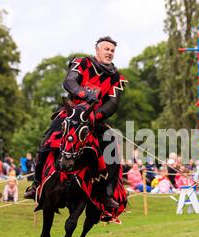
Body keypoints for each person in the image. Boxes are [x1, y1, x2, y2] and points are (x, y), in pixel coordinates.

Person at [24, 36, 127, 211]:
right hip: (71, 113)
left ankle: (106, 194)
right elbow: (69, 82)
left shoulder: (115, 77)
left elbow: (113, 103)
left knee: (113, 151)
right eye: (106, 49)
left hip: (95, 119)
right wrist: (83, 94)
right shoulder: (83, 63)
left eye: (112, 51)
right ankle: (36, 184)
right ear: (98, 50)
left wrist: (97, 115)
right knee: (46, 142)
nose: (109, 53)